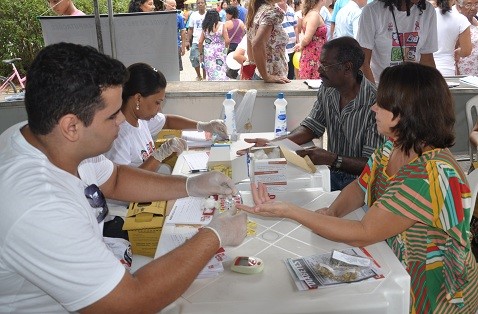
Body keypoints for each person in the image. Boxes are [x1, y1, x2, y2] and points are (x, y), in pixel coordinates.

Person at [0, 42, 247, 313]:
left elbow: (116, 179)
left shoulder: (44, 136)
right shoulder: (39, 206)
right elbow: (129, 304)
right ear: (71, 126)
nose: (122, 120)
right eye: (112, 115)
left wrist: (191, 185)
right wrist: (215, 235)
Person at [238, 62, 478, 313]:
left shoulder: (429, 175)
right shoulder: (393, 147)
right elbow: (360, 187)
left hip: (433, 290)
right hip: (396, 263)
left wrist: (290, 211)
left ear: (403, 114)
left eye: (381, 104)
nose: (373, 107)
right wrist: (332, 213)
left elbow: (364, 230)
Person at [242, 37, 384, 191]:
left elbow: (372, 164)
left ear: (347, 68)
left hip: (362, 186)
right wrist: (274, 144)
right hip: (332, 175)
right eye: (320, 63)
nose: (319, 70)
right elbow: (311, 127)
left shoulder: (375, 104)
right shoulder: (328, 89)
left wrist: (332, 159)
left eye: (325, 65)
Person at [105, 62, 228, 172]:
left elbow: (167, 121)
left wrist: (203, 126)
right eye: (157, 103)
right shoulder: (119, 136)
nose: (159, 109)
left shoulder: (141, 120)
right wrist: (159, 155)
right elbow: (124, 183)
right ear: (138, 98)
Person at [357, 0, 438, 84]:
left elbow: (427, 59)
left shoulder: (428, 10)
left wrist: (434, 89)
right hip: (382, 88)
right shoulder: (372, 10)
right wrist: (374, 94)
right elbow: (363, 63)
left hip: (413, 90)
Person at [246, 0, 291, 83]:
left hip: (261, 76)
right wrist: (266, 77)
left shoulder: (256, 11)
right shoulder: (272, 12)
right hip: (272, 79)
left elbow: (251, 55)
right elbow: (257, 44)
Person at [433, 0, 471, 76]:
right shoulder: (461, 19)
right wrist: (457, 52)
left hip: (424, 68)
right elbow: (466, 51)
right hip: (447, 69)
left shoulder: (425, 16)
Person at [295, 0, 327, 79]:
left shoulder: (313, 13)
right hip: (313, 55)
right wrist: (301, 45)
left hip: (313, 54)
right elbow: (307, 38)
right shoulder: (314, 15)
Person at [198, 9, 231, 80]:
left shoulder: (205, 27)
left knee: (210, 69)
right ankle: (222, 83)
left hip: (208, 51)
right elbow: (227, 40)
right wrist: (225, 48)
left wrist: (200, 53)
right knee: (221, 68)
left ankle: (212, 85)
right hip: (220, 50)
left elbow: (200, 42)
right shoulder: (222, 25)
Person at [278, 0, 299, 80]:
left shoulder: (290, 9)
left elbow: (295, 26)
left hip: (292, 48)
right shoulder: (274, 9)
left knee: (291, 73)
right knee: (283, 73)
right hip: (282, 49)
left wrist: (298, 41)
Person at [456, 0, 478, 76]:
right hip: (463, 71)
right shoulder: (457, 23)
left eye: (476, 4)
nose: (473, 8)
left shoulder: (475, 20)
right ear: (459, 6)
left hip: (475, 69)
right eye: (468, 4)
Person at [164, 0, 187, 72]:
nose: (174, 7)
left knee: (176, 68)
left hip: (175, 45)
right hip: (163, 46)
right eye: (171, 5)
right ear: (165, 5)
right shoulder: (160, 16)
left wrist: (183, 47)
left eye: (175, 5)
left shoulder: (179, 17)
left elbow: (183, 32)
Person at [187, 0, 207, 80]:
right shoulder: (193, 15)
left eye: (202, 2)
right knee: (194, 58)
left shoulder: (208, 14)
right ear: (196, 5)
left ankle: (205, 77)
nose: (200, 4)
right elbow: (190, 29)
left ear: (205, 4)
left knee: (205, 60)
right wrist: (188, 41)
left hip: (207, 42)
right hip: (196, 41)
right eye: (198, 3)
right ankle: (199, 75)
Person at [225, 5, 246, 78]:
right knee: (237, 65)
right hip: (239, 46)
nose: (226, 15)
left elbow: (224, 37)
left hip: (230, 46)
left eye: (227, 13)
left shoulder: (227, 23)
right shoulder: (241, 22)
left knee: (229, 63)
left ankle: (230, 77)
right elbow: (244, 34)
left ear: (231, 14)